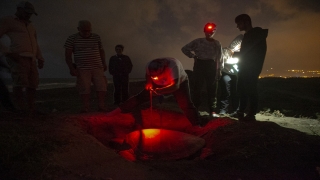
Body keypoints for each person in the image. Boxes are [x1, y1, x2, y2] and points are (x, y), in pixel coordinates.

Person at [106, 57, 200, 127]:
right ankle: (114, 113)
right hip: (158, 84)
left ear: (163, 69)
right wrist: (149, 82)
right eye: (153, 76)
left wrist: (160, 91)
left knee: (185, 104)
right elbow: (147, 75)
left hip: (179, 82)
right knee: (140, 97)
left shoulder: (173, 65)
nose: (156, 77)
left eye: (157, 75)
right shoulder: (149, 65)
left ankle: (197, 126)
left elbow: (175, 86)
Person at [0, 1, 44, 115]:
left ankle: (31, 108)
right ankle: (20, 109)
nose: (28, 15)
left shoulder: (31, 26)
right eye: (27, 12)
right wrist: (8, 52)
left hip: (31, 58)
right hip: (18, 57)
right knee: (20, 82)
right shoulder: (8, 21)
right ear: (19, 9)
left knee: (33, 84)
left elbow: (35, 42)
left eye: (30, 13)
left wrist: (40, 57)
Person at [64, 20, 107, 113]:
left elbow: (101, 51)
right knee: (84, 88)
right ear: (78, 29)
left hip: (97, 66)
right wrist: (71, 68)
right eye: (84, 31)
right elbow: (68, 55)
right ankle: (86, 107)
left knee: (101, 86)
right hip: (82, 68)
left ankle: (101, 106)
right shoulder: (72, 38)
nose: (87, 33)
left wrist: (104, 63)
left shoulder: (96, 37)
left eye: (88, 30)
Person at [181, 22, 223, 117]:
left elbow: (220, 58)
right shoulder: (198, 41)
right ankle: (195, 109)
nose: (210, 33)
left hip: (211, 66)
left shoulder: (217, 44)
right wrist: (193, 56)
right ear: (204, 31)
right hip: (199, 65)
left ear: (215, 32)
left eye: (212, 31)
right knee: (197, 88)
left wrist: (219, 69)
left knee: (212, 89)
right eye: (208, 31)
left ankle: (212, 111)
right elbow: (184, 49)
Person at [232, 14, 268, 121]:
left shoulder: (255, 34)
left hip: (251, 68)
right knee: (242, 89)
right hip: (245, 67)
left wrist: (235, 54)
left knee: (250, 89)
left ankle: (251, 114)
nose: (237, 26)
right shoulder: (250, 35)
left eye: (239, 23)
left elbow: (249, 52)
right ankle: (241, 111)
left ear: (246, 22)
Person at [218, 34, 243, 116]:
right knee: (225, 91)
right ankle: (223, 110)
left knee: (236, 92)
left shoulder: (242, 52)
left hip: (236, 74)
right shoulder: (225, 50)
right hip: (226, 73)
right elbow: (223, 60)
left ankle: (236, 110)